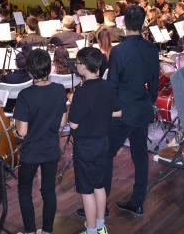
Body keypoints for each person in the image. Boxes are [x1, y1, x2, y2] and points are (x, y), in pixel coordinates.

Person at [94, 5, 158, 218]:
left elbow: (112, 84)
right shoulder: (151, 49)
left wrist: (113, 110)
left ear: (123, 24)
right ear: (142, 24)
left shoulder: (119, 51)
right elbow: (154, 83)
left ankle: (101, 207)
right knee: (140, 156)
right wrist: (148, 102)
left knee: (106, 154)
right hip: (141, 108)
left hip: (123, 110)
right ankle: (137, 202)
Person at [14, 49, 67, 234]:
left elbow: (22, 132)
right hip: (51, 149)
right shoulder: (60, 90)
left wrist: (15, 129)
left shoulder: (25, 95)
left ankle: (29, 231)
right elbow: (62, 122)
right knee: (48, 190)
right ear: (49, 69)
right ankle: (46, 231)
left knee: (24, 190)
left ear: (29, 71)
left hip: (30, 152)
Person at [69, 47, 119, 234]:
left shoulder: (81, 92)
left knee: (86, 190)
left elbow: (73, 124)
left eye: (77, 63)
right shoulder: (108, 86)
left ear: (83, 67)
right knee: (99, 185)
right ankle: (100, 225)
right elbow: (117, 111)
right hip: (103, 143)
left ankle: (90, 230)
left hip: (86, 146)